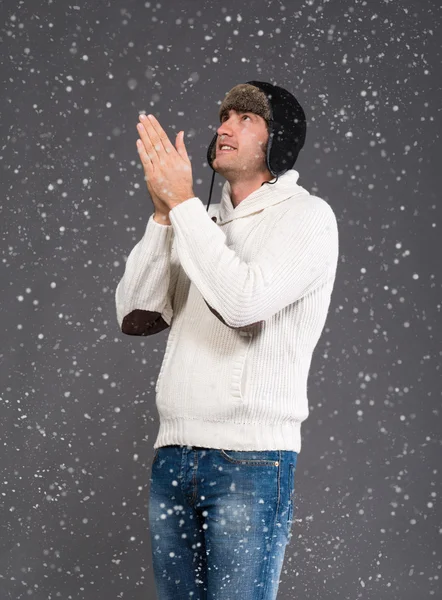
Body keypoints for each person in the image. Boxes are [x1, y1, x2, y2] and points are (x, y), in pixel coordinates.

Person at [115, 81, 339, 599]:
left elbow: (243, 305)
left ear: (277, 140)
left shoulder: (308, 217)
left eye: (245, 118)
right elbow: (136, 313)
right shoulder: (203, 220)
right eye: (224, 116)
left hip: (250, 460)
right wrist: (165, 214)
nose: (223, 127)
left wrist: (186, 205)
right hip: (173, 454)